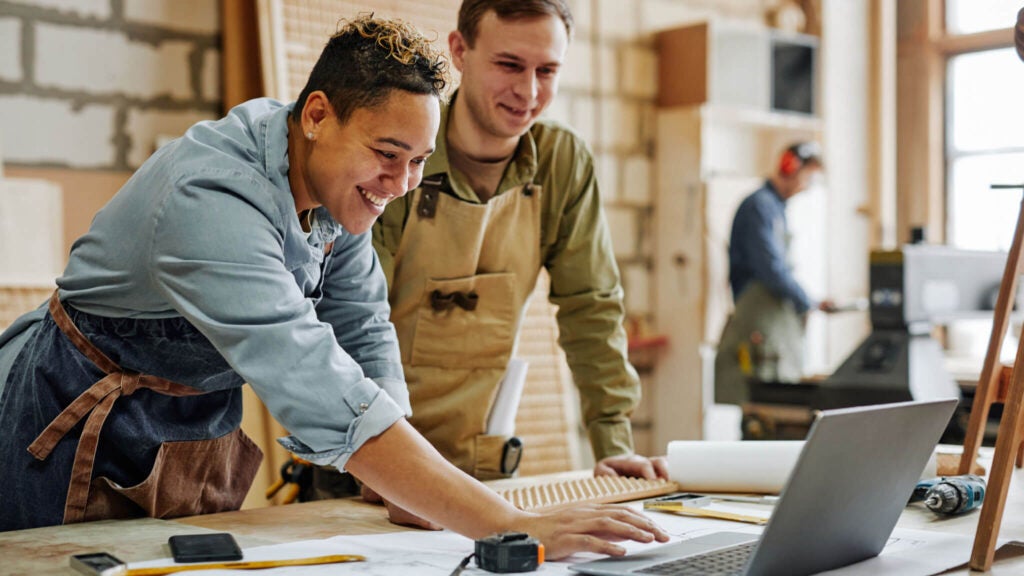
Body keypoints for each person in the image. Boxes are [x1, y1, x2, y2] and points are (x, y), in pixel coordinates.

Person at [0, 14, 668, 557]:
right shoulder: (212, 199)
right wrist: (503, 523)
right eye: (386, 155)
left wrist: (404, 474)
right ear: (318, 114)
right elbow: (316, 380)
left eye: (417, 162)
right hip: (75, 427)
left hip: (184, 433)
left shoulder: (326, 179)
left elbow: (362, 323)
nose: (402, 184)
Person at [304, 0, 666, 517]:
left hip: (483, 474)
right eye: (509, 65)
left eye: (548, 70)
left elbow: (593, 309)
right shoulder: (398, 156)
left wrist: (614, 443)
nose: (529, 91)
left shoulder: (563, 164)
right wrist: (384, 462)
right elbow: (353, 321)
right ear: (460, 51)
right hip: (363, 471)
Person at [714, 142, 832, 406]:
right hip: (757, 320)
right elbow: (771, 268)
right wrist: (806, 301)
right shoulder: (760, 206)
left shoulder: (775, 209)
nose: (807, 186)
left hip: (769, 320)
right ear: (790, 167)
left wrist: (811, 301)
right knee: (760, 409)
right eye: (808, 176)